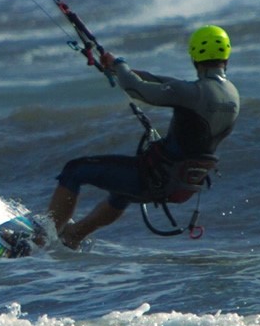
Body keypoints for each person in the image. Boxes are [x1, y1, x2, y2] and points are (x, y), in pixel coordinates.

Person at [43, 25, 240, 249]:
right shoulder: (231, 94)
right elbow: (166, 82)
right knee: (121, 193)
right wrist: (121, 70)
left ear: (193, 55)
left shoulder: (193, 92)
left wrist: (120, 65)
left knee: (74, 170)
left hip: (155, 178)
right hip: (181, 185)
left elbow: (137, 90)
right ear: (227, 54)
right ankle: (73, 236)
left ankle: (41, 238)